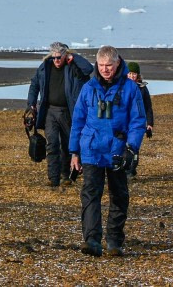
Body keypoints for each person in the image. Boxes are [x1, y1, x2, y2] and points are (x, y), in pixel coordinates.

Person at [69, 46, 147, 256]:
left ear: (117, 64)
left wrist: (132, 148)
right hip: (92, 149)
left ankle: (114, 241)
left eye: (109, 66)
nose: (105, 70)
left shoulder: (130, 89)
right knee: (90, 194)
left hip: (118, 150)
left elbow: (138, 121)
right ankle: (92, 240)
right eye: (101, 66)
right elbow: (77, 120)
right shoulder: (88, 88)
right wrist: (74, 152)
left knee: (119, 195)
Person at [27, 41, 93, 189]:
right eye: (54, 57)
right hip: (50, 111)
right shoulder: (45, 67)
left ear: (65, 55)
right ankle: (53, 178)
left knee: (68, 145)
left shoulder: (73, 67)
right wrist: (31, 104)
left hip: (69, 111)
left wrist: (73, 58)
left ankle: (66, 176)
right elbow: (34, 84)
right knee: (52, 145)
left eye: (59, 57)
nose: (56, 60)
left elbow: (88, 69)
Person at [125, 61, 154, 178]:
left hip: (138, 122)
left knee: (134, 145)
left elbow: (148, 107)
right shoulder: (122, 86)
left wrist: (150, 123)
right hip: (125, 122)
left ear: (138, 75)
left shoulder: (142, 88)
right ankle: (127, 167)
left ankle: (132, 168)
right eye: (130, 73)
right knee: (124, 146)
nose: (132, 76)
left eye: (134, 74)